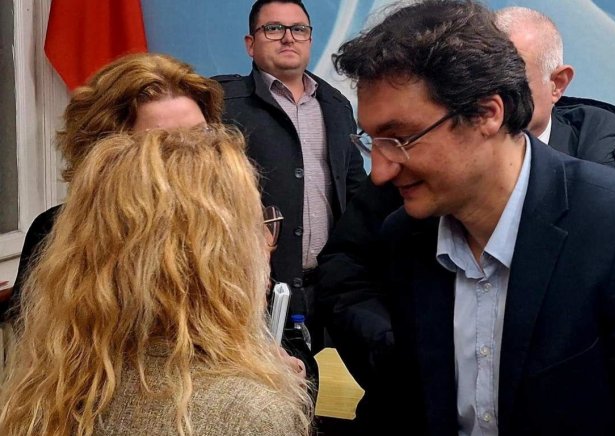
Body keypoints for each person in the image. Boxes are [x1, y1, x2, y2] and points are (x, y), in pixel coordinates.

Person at [322, 1, 615, 435]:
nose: (381, 170)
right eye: (373, 141)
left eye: (402, 138)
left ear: (487, 113)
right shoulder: (405, 238)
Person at [2, 52, 317, 387]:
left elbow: (283, 332)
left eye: (202, 135)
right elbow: (32, 356)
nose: (195, 155)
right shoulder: (58, 232)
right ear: (109, 154)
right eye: (166, 145)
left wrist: (286, 365)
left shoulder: (232, 223)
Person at [0, 126, 312, 436]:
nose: (268, 242)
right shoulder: (250, 413)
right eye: (256, 226)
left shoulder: (48, 382)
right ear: (210, 259)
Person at [214, 0, 366, 353]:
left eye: (298, 29)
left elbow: (356, 192)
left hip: (327, 292)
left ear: (310, 39)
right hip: (250, 294)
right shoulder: (222, 105)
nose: (288, 38)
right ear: (250, 44)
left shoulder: (336, 105)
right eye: (273, 29)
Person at [494, 6, 615, 188]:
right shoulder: (471, 163)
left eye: (510, 78)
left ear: (557, 84)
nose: (489, 94)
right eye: (479, 78)